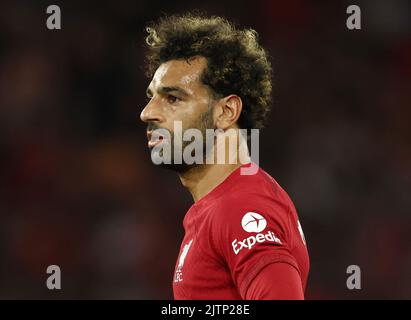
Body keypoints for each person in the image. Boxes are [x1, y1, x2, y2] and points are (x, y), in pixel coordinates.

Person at [140, 13, 309, 299]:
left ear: (227, 111)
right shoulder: (220, 205)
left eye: (173, 98)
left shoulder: (241, 206)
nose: (147, 113)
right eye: (152, 96)